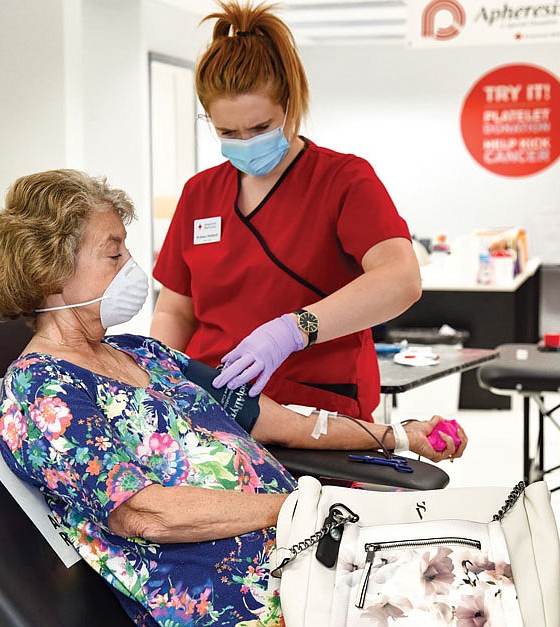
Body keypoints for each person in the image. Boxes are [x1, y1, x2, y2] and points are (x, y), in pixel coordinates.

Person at [0, 169, 466, 627]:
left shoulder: (143, 353)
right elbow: (146, 512)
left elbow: (274, 421)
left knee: (473, 565)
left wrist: (397, 434)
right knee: (464, 593)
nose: (132, 267)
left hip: (305, 550)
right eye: (114, 253)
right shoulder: (42, 392)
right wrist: (296, 510)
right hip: (246, 596)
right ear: (50, 270)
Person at [150, 0, 423, 422]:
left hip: (317, 408)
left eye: (260, 128)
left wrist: (292, 331)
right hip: (212, 407)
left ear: (290, 105)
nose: (245, 142)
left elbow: (401, 279)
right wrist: (161, 379)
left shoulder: (343, 180)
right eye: (228, 132)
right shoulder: (200, 194)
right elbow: (174, 310)